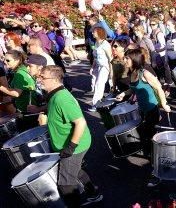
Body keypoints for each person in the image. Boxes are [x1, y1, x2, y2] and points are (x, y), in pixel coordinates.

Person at [38, 65, 102, 207]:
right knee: (76, 170)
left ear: (54, 80)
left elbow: (80, 123)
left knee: (65, 184)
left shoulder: (62, 98)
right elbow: (54, 109)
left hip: (75, 146)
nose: (39, 79)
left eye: (42, 77)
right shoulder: (54, 94)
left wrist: (71, 147)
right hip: (70, 144)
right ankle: (94, 194)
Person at [115, 49, 171, 187]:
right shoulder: (132, 73)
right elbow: (134, 89)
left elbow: (158, 87)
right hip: (143, 110)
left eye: (127, 58)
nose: (125, 60)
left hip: (152, 109)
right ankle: (155, 163)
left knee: (150, 140)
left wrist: (164, 104)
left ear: (134, 59)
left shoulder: (144, 73)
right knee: (146, 140)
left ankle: (158, 171)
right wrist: (124, 93)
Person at [0, 50, 37, 131]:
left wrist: (1, 87)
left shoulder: (19, 74)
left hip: (26, 110)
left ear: (17, 60)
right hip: (30, 107)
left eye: (8, 60)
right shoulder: (23, 69)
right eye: (4, 59)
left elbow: (16, 93)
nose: (5, 62)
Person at [89, 27, 112, 112]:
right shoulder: (96, 43)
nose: (92, 33)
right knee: (97, 84)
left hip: (105, 67)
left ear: (99, 33)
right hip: (98, 66)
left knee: (99, 84)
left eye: (94, 32)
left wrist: (111, 70)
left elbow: (110, 58)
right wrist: (92, 67)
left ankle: (96, 105)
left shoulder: (105, 44)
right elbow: (95, 57)